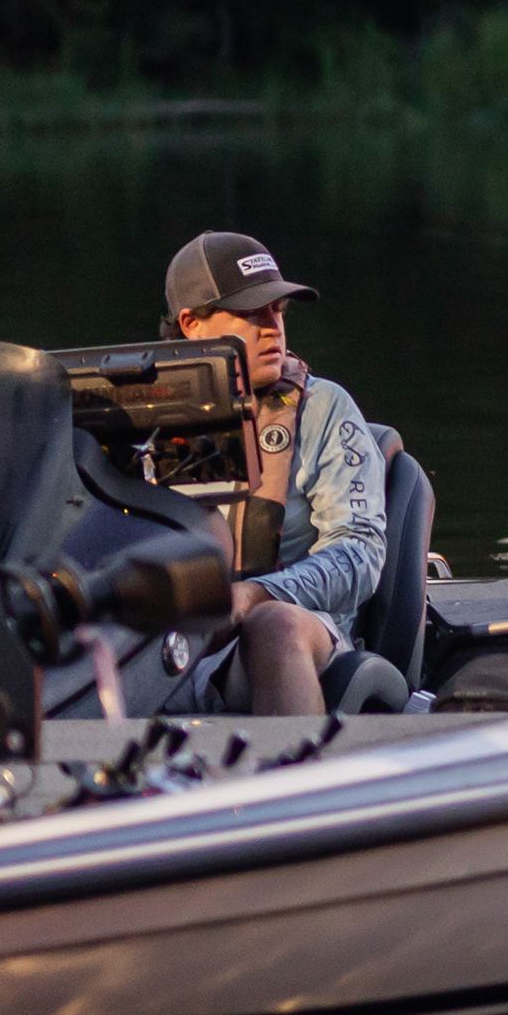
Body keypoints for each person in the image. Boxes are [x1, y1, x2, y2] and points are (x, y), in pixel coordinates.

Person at [163, 229, 392, 715]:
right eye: (251, 312)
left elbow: (361, 553)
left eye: (279, 311)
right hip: (163, 643)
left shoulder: (324, 407)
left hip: (298, 633)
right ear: (191, 323)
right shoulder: (135, 416)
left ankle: (300, 783)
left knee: (274, 625)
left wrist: (254, 595)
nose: (273, 327)